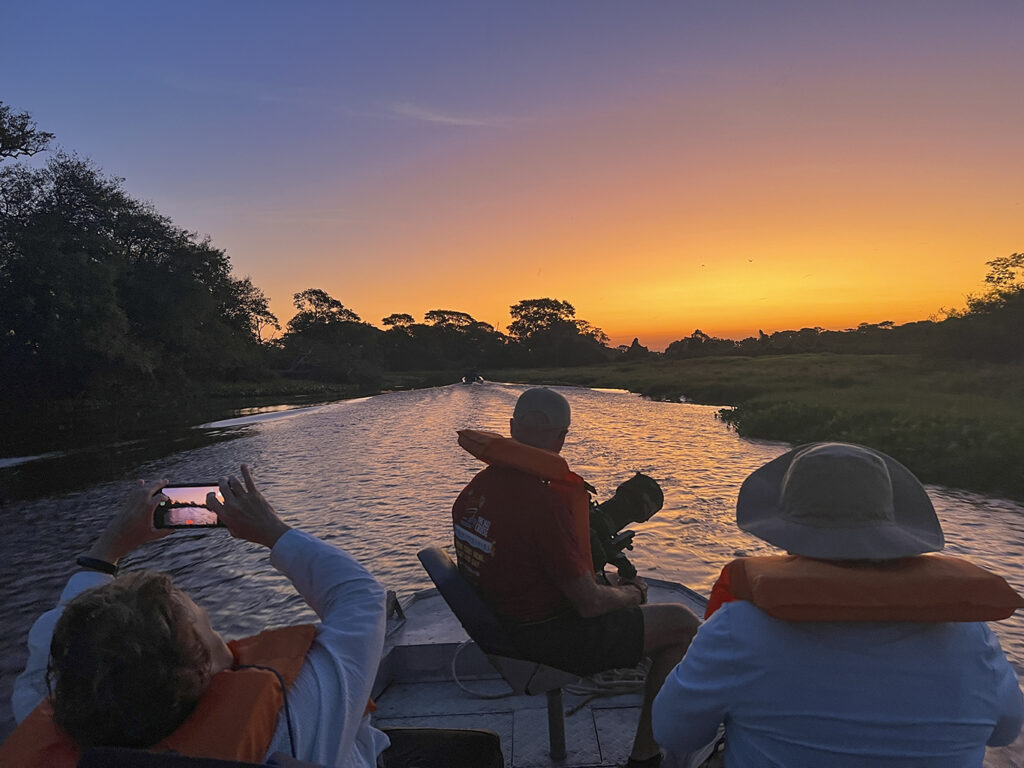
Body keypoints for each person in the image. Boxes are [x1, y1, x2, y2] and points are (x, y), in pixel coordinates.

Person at [652, 442, 1024, 767]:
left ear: (787, 533)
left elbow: (672, 733)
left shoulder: (739, 628)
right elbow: (1006, 730)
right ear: (891, 528)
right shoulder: (972, 636)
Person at [3, 465, 391, 768]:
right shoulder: (299, 715)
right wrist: (272, 530)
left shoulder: (54, 707)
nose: (208, 615)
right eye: (204, 624)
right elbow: (361, 596)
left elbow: (53, 648)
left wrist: (106, 551)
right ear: (201, 671)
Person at [452, 387, 700, 768]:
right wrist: (634, 592)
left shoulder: (472, 492)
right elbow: (590, 604)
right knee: (682, 623)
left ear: (512, 427)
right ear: (562, 437)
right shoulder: (546, 503)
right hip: (544, 640)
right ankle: (645, 755)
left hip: (503, 630)